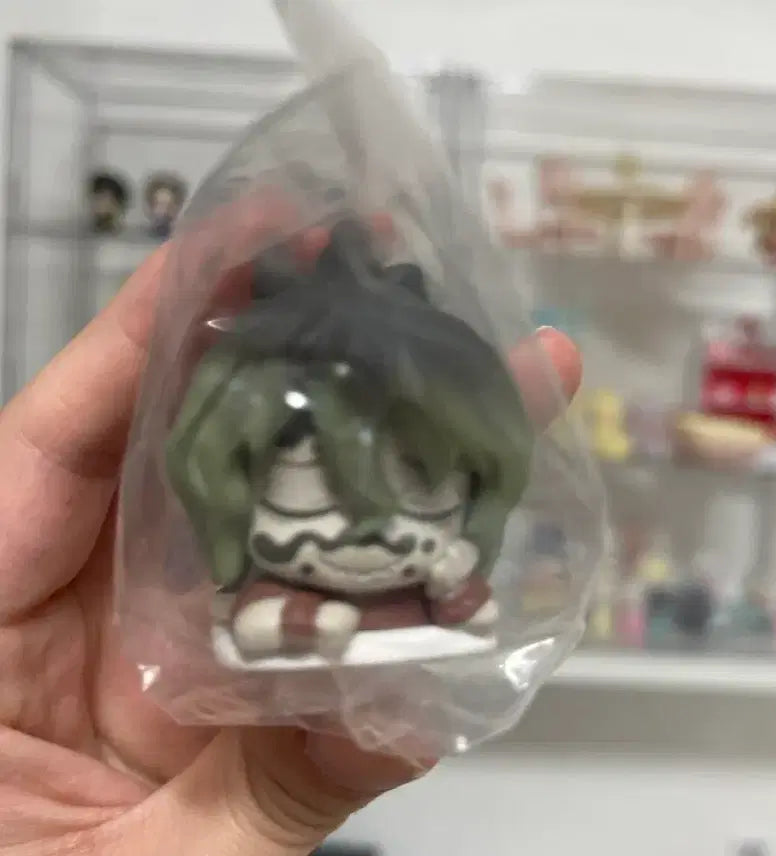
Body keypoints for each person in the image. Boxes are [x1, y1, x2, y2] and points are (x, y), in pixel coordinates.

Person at [0, 222, 581, 855]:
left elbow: (466, 602)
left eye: (424, 490)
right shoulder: (263, 577)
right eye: (310, 496)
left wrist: (455, 588)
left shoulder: (425, 568)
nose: (363, 536)